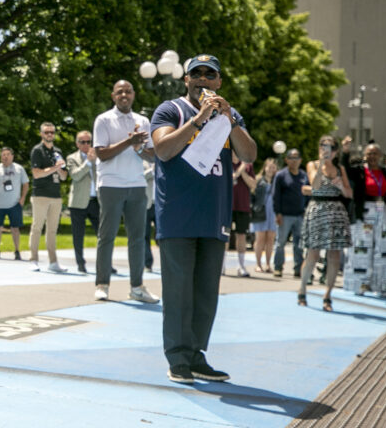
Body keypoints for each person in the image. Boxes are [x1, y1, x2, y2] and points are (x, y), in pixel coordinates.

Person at [150, 53, 256, 384]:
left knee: (206, 293)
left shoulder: (229, 115)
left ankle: (197, 356)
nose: (203, 80)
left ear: (219, 82)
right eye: (196, 74)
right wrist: (200, 119)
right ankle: (178, 358)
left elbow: (249, 154)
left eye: (210, 75)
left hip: (214, 217)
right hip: (178, 216)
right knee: (179, 291)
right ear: (186, 80)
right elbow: (163, 149)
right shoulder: (170, 110)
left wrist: (228, 118)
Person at [92, 80, 158, 303]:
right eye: (120, 92)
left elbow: (151, 155)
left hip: (137, 185)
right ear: (113, 96)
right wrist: (129, 141)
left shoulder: (143, 121)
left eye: (128, 91)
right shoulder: (103, 120)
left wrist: (139, 148)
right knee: (107, 236)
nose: (124, 95)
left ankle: (137, 287)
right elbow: (102, 154)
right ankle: (102, 284)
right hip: (111, 184)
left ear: (133, 95)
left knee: (138, 239)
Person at [297, 136, 352, 311]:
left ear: (336, 151)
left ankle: (328, 294)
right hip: (317, 210)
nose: (327, 150)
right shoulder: (312, 165)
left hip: (336, 211)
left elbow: (349, 193)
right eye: (323, 146)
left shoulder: (340, 168)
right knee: (313, 254)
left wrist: (341, 187)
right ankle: (302, 289)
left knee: (334, 255)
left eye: (330, 147)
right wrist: (321, 164)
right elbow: (315, 185)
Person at [341, 137, 386, 297]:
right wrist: (346, 151)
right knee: (361, 249)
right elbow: (345, 168)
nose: (372, 156)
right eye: (369, 153)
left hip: (383, 211)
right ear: (365, 155)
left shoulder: (385, 171)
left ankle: (382, 286)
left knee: (384, 250)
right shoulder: (359, 170)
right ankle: (360, 286)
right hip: (364, 211)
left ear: (380, 155)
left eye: (375, 153)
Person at [29, 122, 67, 272]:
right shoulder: (37, 151)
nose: (50, 134)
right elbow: (37, 173)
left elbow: (63, 176)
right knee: (37, 227)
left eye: (52, 132)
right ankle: (33, 260)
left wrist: (60, 168)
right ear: (41, 134)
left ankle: (53, 262)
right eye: (47, 132)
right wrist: (56, 167)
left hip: (56, 195)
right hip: (40, 195)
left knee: (52, 230)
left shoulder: (57, 151)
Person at [0, 147, 29, 259]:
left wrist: (23, 198)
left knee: (15, 228)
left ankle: (17, 251)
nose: (6, 156)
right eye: (3, 154)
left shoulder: (19, 169)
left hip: (14, 204)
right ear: (1, 156)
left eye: (8, 154)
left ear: (12, 156)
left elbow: (26, 184)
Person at [272, 148, 309, 278]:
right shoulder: (281, 175)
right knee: (280, 243)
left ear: (300, 160)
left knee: (299, 244)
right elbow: (275, 195)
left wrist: (307, 210)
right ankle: (278, 267)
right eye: (291, 158)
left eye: (296, 158)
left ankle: (298, 269)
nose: (294, 161)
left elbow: (308, 194)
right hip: (284, 215)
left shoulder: (304, 176)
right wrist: (278, 213)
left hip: (300, 215)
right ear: (287, 160)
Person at [66, 131, 99, 273]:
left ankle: (105, 265)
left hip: (96, 201)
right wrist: (88, 163)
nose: (86, 145)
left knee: (103, 235)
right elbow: (75, 175)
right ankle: (80, 263)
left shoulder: (99, 157)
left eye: (88, 142)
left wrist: (96, 160)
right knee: (78, 235)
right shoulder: (72, 158)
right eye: (82, 142)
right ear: (77, 144)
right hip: (78, 202)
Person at [249, 158, 278, 273]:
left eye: (273, 167)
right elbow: (251, 196)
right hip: (260, 212)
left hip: (274, 213)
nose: (271, 169)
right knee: (260, 239)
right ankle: (258, 264)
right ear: (265, 168)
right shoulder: (258, 180)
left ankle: (267, 264)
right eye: (269, 167)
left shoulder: (277, 181)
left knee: (270, 239)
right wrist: (252, 209)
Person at [229, 153, 255, 277]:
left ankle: (241, 266)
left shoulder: (248, 165)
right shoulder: (225, 161)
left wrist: (243, 171)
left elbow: (253, 185)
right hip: (227, 205)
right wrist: (238, 171)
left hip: (242, 205)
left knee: (242, 235)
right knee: (225, 234)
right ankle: (221, 266)